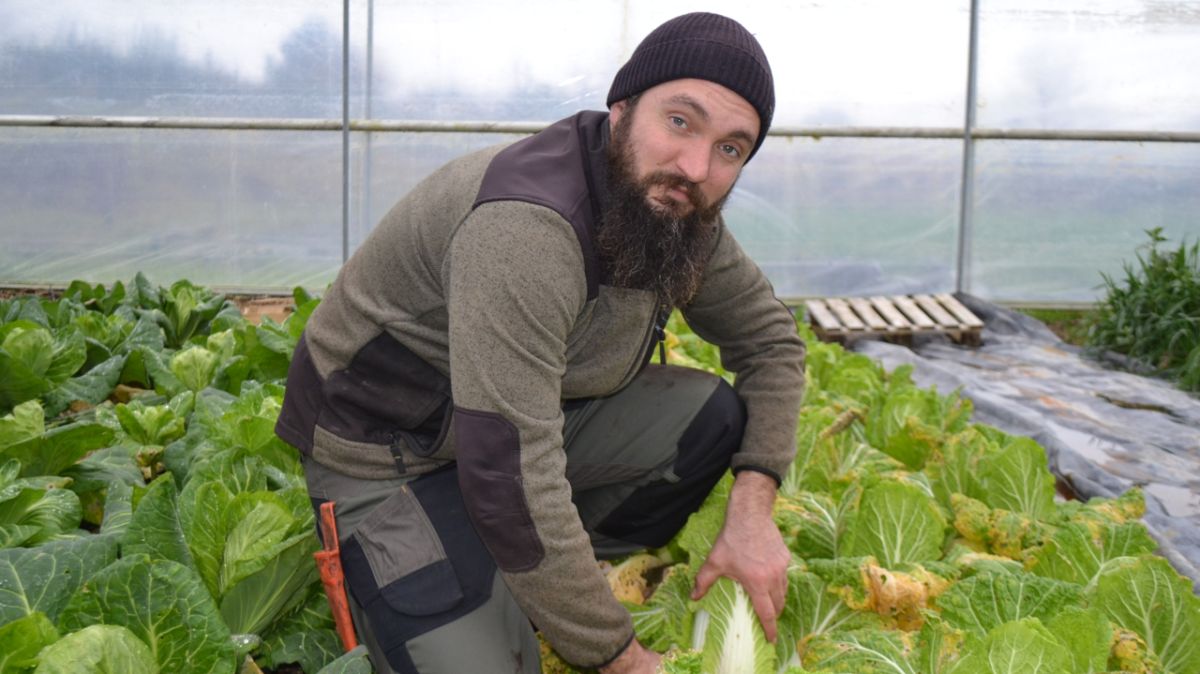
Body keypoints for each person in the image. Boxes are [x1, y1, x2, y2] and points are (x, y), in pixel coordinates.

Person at [275, 11, 806, 674]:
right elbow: (509, 473)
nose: (696, 164)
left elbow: (772, 344)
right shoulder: (527, 229)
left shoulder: (675, 207)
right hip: (388, 450)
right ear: (621, 110)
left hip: (510, 428)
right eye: (679, 120)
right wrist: (619, 655)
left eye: (731, 147)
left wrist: (754, 512)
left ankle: (517, 566)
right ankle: (485, 562)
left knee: (711, 421)